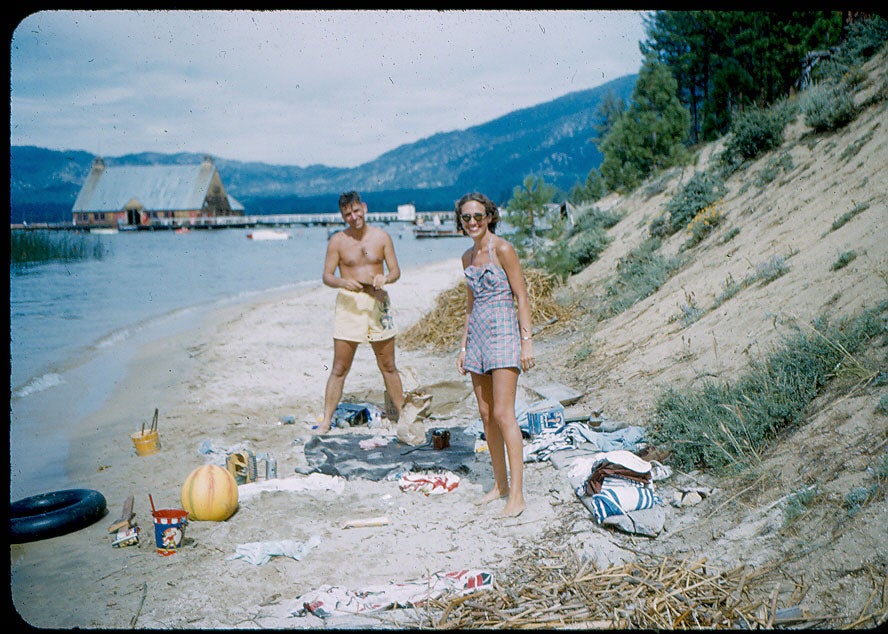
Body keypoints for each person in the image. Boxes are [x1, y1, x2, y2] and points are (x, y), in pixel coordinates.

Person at [455, 192, 534, 518]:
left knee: (504, 413)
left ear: (489, 216)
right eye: (466, 218)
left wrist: (526, 341)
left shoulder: (503, 249)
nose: (472, 222)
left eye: (478, 216)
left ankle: (517, 495)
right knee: (486, 415)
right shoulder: (467, 257)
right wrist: (463, 346)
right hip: (478, 338)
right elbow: (470, 306)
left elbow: (521, 295)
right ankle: (499, 485)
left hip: (503, 334)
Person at [317, 191, 404, 434]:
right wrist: (342, 282)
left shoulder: (382, 237)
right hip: (350, 305)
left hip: (376, 301)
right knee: (339, 367)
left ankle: (403, 416)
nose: (353, 217)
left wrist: (384, 277)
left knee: (388, 365)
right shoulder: (337, 241)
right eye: (347, 214)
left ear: (364, 208)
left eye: (356, 211)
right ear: (342, 216)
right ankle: (326, 421)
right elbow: (327, 276)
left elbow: (396, 271)